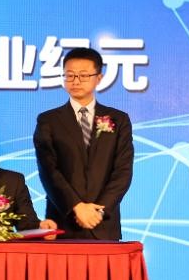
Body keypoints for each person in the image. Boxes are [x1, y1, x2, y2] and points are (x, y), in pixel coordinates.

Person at [33, 47, 134, 240]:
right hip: (63, 222)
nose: (76, 81)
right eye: (70, 75)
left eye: (84, 75)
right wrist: (76, 207)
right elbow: (48, 170)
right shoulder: (48, 120)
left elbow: (123, 171)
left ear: (99, 78)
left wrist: (99, 211)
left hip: (103, 224)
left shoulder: (119, 120)